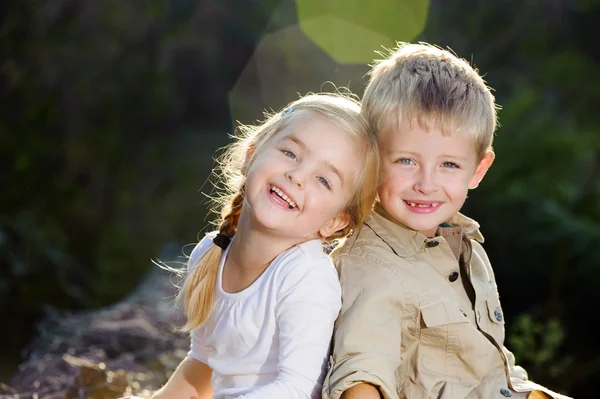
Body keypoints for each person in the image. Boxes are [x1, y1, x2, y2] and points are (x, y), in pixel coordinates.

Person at [322, 43, 572, 399]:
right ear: (371, 156)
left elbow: (491, 372)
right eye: (405, 160)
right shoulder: (369, 265)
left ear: (479, 169)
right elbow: (360, 376)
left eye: (449, 165)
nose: (426, 183)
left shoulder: (464, 245)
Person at [150, 93, 380, 399]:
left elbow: (297, 387)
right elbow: (204, 362)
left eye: (323, 180)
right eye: (290, 153)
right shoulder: (210, 252)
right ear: (252, 154)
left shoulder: (305, 279)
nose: (296, 176)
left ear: (336, 221)